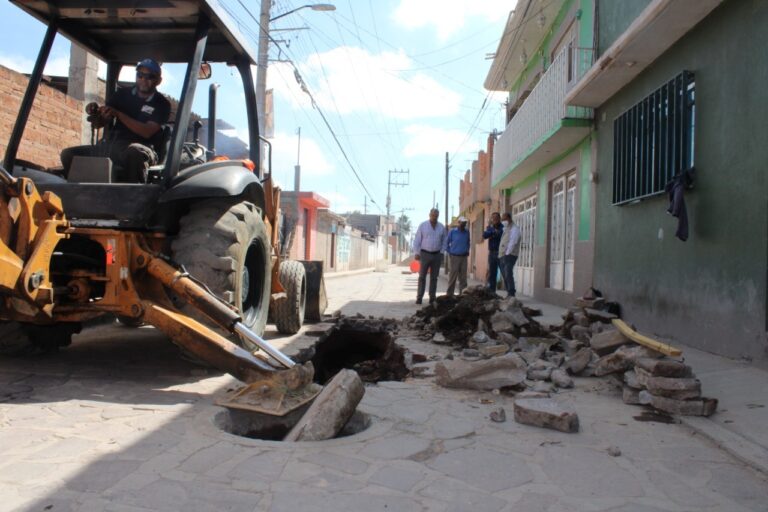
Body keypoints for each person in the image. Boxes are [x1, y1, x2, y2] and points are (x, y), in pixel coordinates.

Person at [61, 58, 171, 183]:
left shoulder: (162, 104)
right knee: (68, 154)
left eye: (149, 76)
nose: (143, 79)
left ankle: (132, 198)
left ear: (158, 81)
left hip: (143, 149)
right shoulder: (122, 94)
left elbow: (146, 131)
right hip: (113, 147)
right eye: (140, 75)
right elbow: (99, 124)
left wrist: (118, 114)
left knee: (134, 152)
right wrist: (101, 116)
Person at [412, 208, 448, 305]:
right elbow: (417, 240)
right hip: (425, 254)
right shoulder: (423, 226)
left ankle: (432, 297)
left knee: (434, 277)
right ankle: (419, 297)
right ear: (429, 215)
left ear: (438, 216)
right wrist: (417, 252)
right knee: (422, 276)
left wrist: (442, 252)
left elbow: (445, 241)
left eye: (436, 216)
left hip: (437, 255)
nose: (434, 217)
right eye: (433, 215)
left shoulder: (441, 227)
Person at [445, 216, 470, 296]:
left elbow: (468, 242)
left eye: (465, 223)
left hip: (464, 257)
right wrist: (450, 252)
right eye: (462, 222)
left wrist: (467, 250)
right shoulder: (452, 232)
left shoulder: (467, 232)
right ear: (458, 222)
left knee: (463, 277)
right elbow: (446, 243)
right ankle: (449, 294)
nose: (464, 224)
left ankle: (462, 294)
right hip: (454, 257)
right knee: (453, 276)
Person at [499, 213, 522, 297]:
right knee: (505, 274)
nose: (502, 221)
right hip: (502, 255)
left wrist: (507, 253)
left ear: (509, 219)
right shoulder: (506, 229)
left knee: (508, 273)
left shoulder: (515, 229)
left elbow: (513, 242)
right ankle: (509, 291)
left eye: (504, 219)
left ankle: (511, 293)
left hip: (510, 255)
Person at [482, 212, 503, 291]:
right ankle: (492, 292)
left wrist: (492, 234)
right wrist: (493, 232)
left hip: (501, 253)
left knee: (504, 273)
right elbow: (484, 235)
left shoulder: (503, 227)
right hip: (492, 253)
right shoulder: (490, 227)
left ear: (499, 218)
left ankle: (510, 294)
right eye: (493, 218)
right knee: (492, 274)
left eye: (496, 217)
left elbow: (500, 234)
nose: (495, 219)